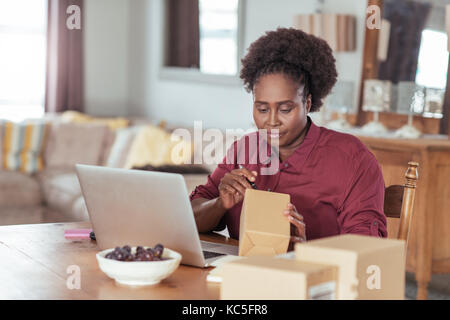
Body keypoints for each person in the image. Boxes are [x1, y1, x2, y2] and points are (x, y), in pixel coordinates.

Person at [190, 28, 387, 248]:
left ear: (308, 104)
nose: (272, 121)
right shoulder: (244, 149)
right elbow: (190, 217)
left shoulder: (352, 159)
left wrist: (305, 250)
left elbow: (366, 250)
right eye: (262, 109)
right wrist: (220, 204)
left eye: (285, 109)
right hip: (241, 273)